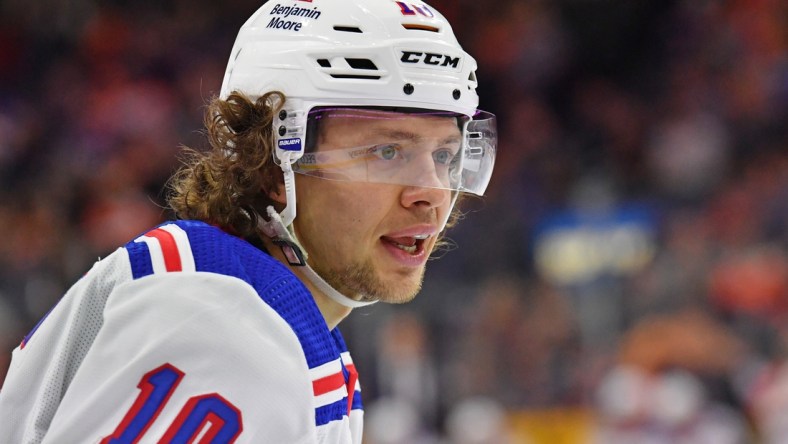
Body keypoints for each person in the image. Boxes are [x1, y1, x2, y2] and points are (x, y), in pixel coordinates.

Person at [0, 0, 497, 442]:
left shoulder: (263, 316)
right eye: (387, 151)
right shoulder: (220, 328)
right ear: (270, 164)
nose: (432, 192)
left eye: (445, 155)